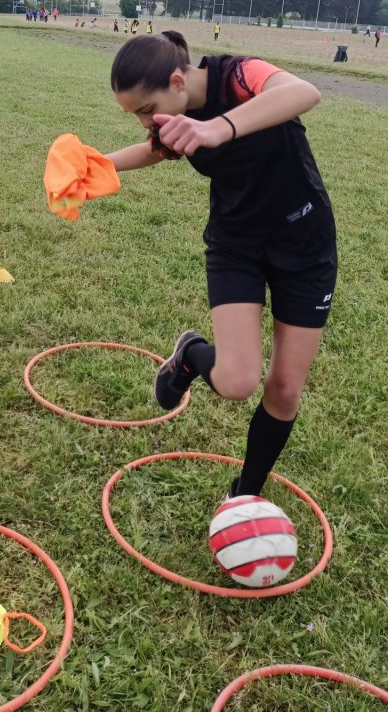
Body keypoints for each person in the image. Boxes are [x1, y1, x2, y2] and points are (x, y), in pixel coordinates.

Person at [106, 32, 336, 498]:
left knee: (286, 389)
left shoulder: (239, 74)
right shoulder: (174, 111)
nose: (146, 122)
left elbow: (303, 94)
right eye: (136, 116)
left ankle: (246, 493)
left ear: (177, 80)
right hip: (236, 246)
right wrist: (95, 167)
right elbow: (156, 150)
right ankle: (191, 355)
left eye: (146, 110)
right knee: (237, 381)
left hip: (305, 243)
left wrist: (218, 127)